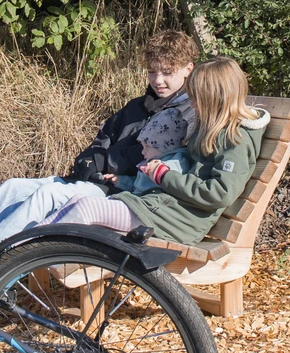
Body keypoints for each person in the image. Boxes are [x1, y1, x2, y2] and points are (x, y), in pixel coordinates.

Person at [0, 30, 198, 261]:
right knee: (13, 187)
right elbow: (102, 139)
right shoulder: (137, 106)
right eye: (152, 72)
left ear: (187, 69)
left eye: (167, 72)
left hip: (122, 193)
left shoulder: (186, 114)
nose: (158, 80)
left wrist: (107, 165)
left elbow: (156, 161)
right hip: (94, 181)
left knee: (48, 195)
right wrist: (89, 158)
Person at [49, 56, 267, 245]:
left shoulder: (235, 140)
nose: (191, 104)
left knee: (88, 209)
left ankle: (29, 261)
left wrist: (164, 176)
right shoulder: (209, 129)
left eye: (196, 98)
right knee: (76, 204)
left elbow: (219, 193)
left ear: (215, 99)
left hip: (180, 221)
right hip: (163, 207)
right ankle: (26, 262)